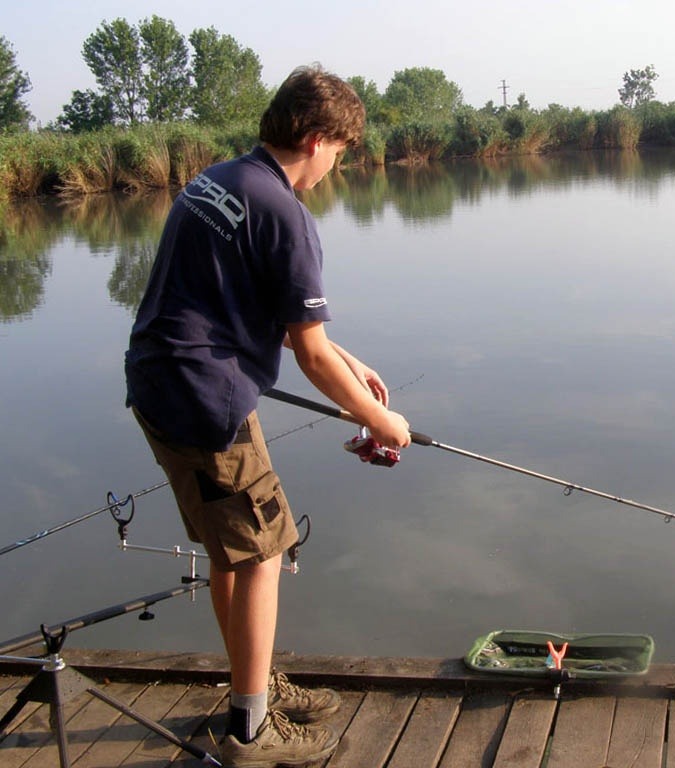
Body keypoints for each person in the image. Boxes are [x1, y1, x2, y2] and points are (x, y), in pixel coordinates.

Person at [125, 64, 411, 767]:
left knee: (230, 549)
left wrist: (351, 362)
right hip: (206, 400)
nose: (335, 168)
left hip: (158, 385)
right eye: (339, 153)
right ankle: (251, 731)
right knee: (264, 552)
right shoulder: (286, 212)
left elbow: (289, 322)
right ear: (315, 138)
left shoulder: (218, 182)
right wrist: (381, 418)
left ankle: (251, 687)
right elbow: (308, 356)